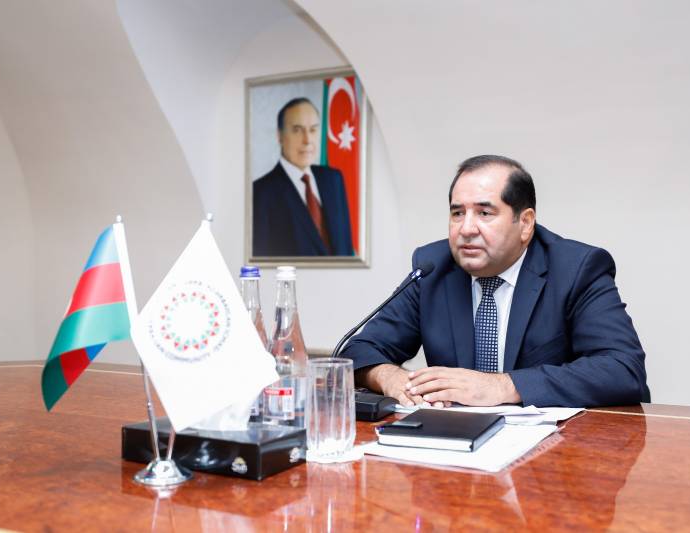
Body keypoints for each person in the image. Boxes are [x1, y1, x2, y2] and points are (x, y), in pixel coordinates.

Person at [341, 155, 650, 407]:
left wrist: (503, 386)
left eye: (485, 213)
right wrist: (391, 378)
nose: (466, 229)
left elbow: (623, 370)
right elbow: (359, 349)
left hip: (555, 452)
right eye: (457, 213)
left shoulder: (575, 268)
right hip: (454, 444)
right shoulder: (433, 268)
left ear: (525, 223)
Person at [252, 97, 353, 257]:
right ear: (279, 136)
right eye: (297, 130)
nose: (307, 140)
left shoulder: (334, 180)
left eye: (313, 130)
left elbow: (345, 248)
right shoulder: (260, 193)